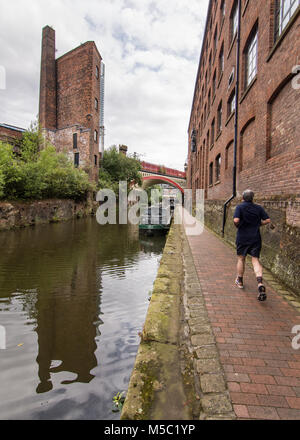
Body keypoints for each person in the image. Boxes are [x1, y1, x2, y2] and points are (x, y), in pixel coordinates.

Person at [233, 190, 271, 301]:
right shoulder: (258, 208)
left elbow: (236, 220)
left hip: (243, 237)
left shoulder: (240, 207)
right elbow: (267, 220)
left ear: (243, 198)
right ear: (252, 198)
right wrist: (258, 224)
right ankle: (260, 283)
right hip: (255, 238)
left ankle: (239, 281)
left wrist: (238, 225)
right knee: (255, 260)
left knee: (241, 259)